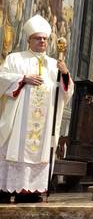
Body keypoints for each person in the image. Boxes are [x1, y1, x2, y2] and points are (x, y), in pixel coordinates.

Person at [0, 15, 73, 203]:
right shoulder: (15, 58)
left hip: (44, 121)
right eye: (38, 38)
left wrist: (64, 73)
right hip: (19, 120)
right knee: (15, 149)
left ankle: (31, 190)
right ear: (29, 40)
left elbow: (66, 91)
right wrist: (23, 79)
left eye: (45, 39)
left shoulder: (53, 63)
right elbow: (2, 78)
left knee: (39, 152)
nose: (42, 41)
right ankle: (7, 188)